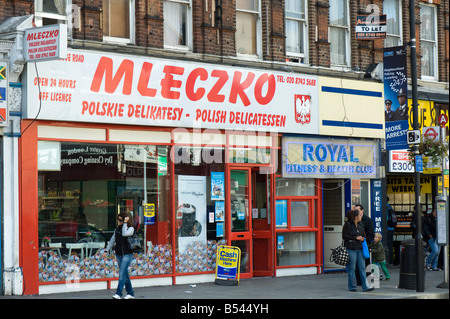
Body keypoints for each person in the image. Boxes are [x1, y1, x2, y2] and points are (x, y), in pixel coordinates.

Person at [342, 209, 374, 292]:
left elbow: (364, 235)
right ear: (356, 217)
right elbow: (344, 236)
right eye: (360, 215)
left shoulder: (361, 225)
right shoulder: (347, 225)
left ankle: (365, 286)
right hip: (351, 248)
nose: (361, 217)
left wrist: (363, 238)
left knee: (362, 268)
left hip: (360, 248)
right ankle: (352, 286)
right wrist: (355, 238)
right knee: (352, 268)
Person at [106, 212, 136, 299]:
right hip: (119, 253)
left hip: (127, 254)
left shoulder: (131, 228)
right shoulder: (117, 229)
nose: (118, 221)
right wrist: (107, 250)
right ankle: (130, 293)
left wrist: (125, 224)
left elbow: (125, 233)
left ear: (125, 220)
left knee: (122, 274)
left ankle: (118, 294)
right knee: (125, 274)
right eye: (118, 219)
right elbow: (112, 240)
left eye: (120, 220)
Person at [386, 197, 395, 265]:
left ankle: (388, 261)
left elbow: (386, 218)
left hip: (387, 228)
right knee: (390, 245)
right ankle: (391, 261)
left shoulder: (385, 207)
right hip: (391, 228)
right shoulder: (390, 207)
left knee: (387, 245)